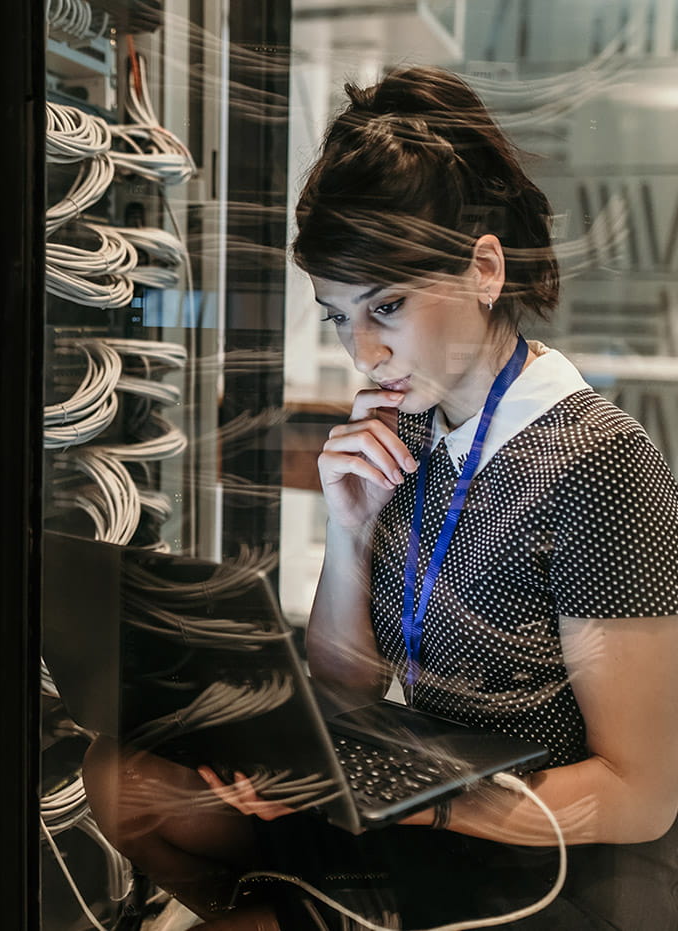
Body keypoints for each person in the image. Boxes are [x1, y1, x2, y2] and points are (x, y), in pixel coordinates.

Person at [83, 65, 678, 930]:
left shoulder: (598, 463)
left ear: (484, 268)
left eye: (387, 306)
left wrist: (403, 802)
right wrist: (351, 524)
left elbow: (643, 794)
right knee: (120, 777)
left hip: (552, 865)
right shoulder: (419, 429)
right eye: (337, 317)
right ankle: (288, 907)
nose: (363, 353)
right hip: (426, 813)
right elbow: (347, 685)